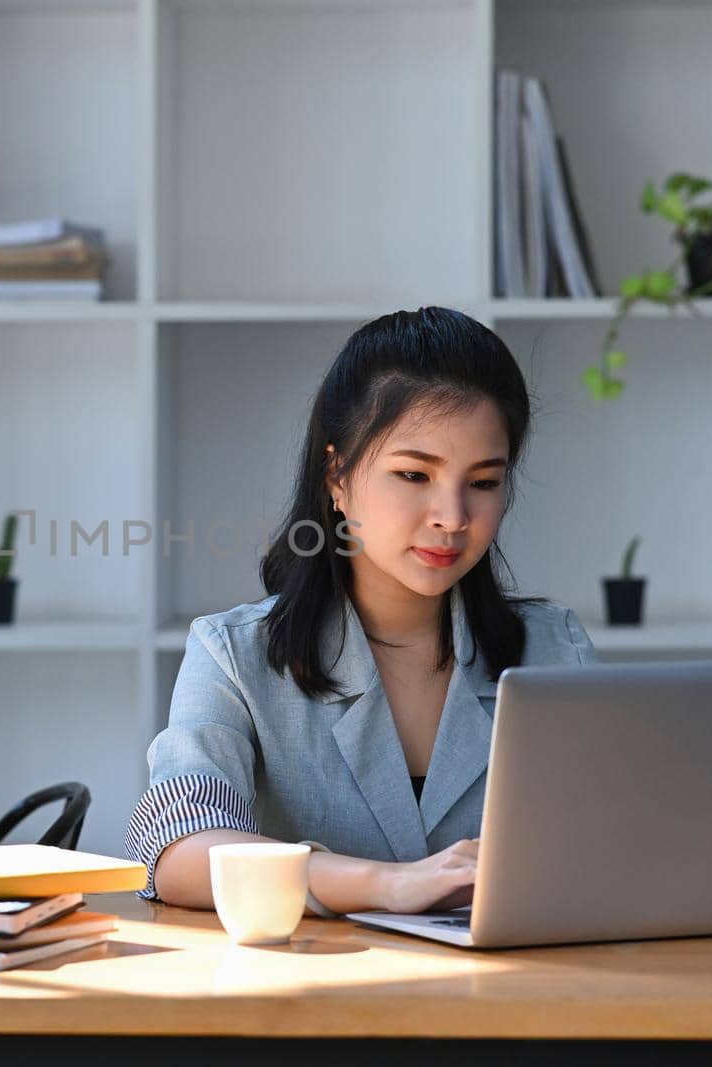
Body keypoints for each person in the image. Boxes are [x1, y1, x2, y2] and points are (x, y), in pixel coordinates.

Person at [126, 307, 596, 916]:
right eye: (413, 474)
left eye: (482, 482)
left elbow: (613, 843)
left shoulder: (553, 648)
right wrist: (389, 884)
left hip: (518, 999)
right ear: (338, 477)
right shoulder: (233, 655)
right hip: (313, 1001)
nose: (452, 516)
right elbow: (179, 853)